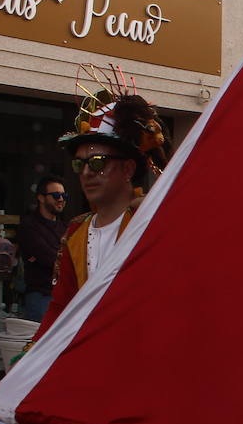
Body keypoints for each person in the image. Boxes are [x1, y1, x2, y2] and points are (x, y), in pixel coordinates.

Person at [34, 74, 169, 339]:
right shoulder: (76, 232)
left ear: (128, 169)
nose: (86, 172)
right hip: (88, 350)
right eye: (79, 164)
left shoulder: (152, 223)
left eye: (97, 162)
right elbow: (61, 305)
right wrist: (34, 351)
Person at [19, 175, 70, 322]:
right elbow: (49, 258)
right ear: (41, 198)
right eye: (56, 195)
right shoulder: (29, 226)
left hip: (65, 296)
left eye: (64, 195)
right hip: (41, 296)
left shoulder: (65, 227)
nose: (61, 199)